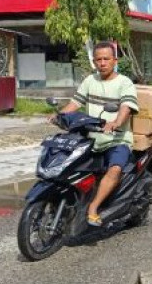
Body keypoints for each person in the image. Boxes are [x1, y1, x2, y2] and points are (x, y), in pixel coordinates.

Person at [56, 41, 139, 226]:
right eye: (98, 59)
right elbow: (75, 103)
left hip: (116, 139)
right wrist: (59, 115)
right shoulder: (90, 81)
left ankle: (93, 207)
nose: (102, 63)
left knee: (115, 169)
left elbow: (126, 107)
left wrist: (117, 122)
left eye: (106, 59)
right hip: (91, 139)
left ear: (115, 60)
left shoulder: (124, 83)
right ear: (94, 61)